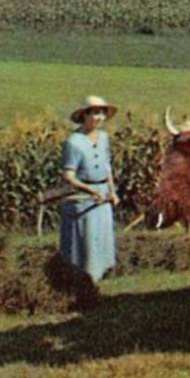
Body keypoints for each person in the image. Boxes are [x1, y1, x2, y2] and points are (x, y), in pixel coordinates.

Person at [60, 96, 120, 281]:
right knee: (85, 242)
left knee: (101, 239)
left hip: (102, 199)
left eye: (102, 113)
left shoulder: (103, 138)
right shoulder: (74, 142)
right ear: (84, 115)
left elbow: (106, 166)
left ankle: (97, 280)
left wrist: (112, 191)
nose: (99, 117)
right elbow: (68, 176)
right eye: (95, 113)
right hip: (83, 200)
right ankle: (81, 281)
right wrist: (90, 190)